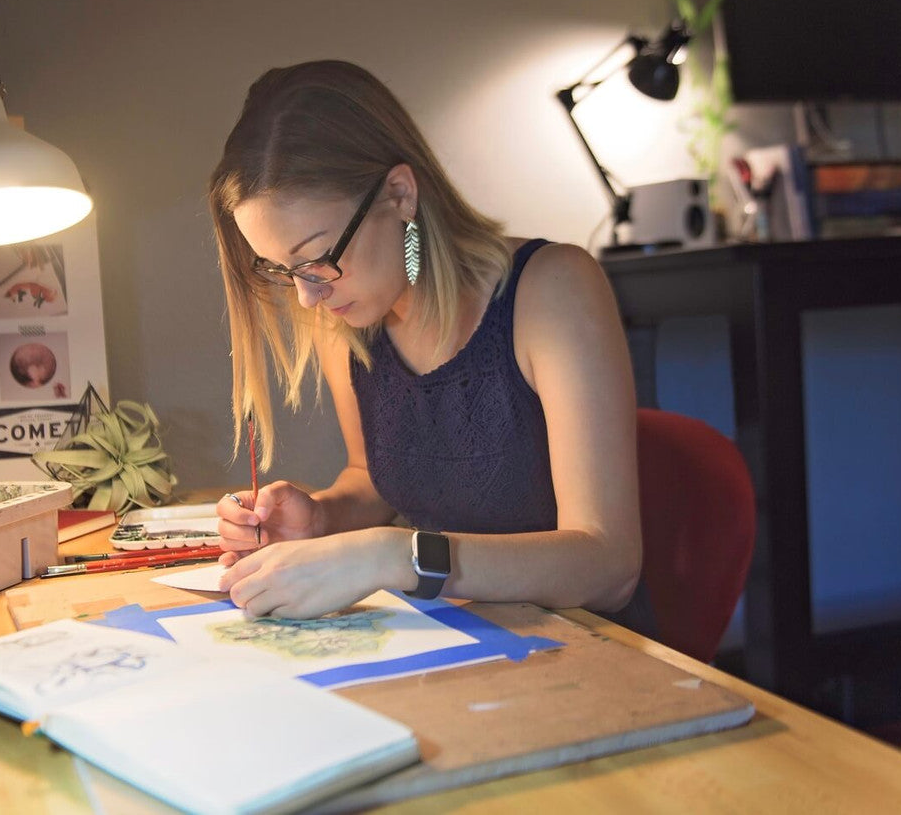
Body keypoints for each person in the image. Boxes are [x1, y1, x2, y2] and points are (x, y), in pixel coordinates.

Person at [208, 60, 647, 628]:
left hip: (587, 650)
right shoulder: (344, 321)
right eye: (282, 269)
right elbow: (374, 479)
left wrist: (397, 555)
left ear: (399, 194)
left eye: (318, 260)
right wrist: (321, 517)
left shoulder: (550, 290)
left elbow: (609, 567)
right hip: (452, 642)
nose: (308, 298)